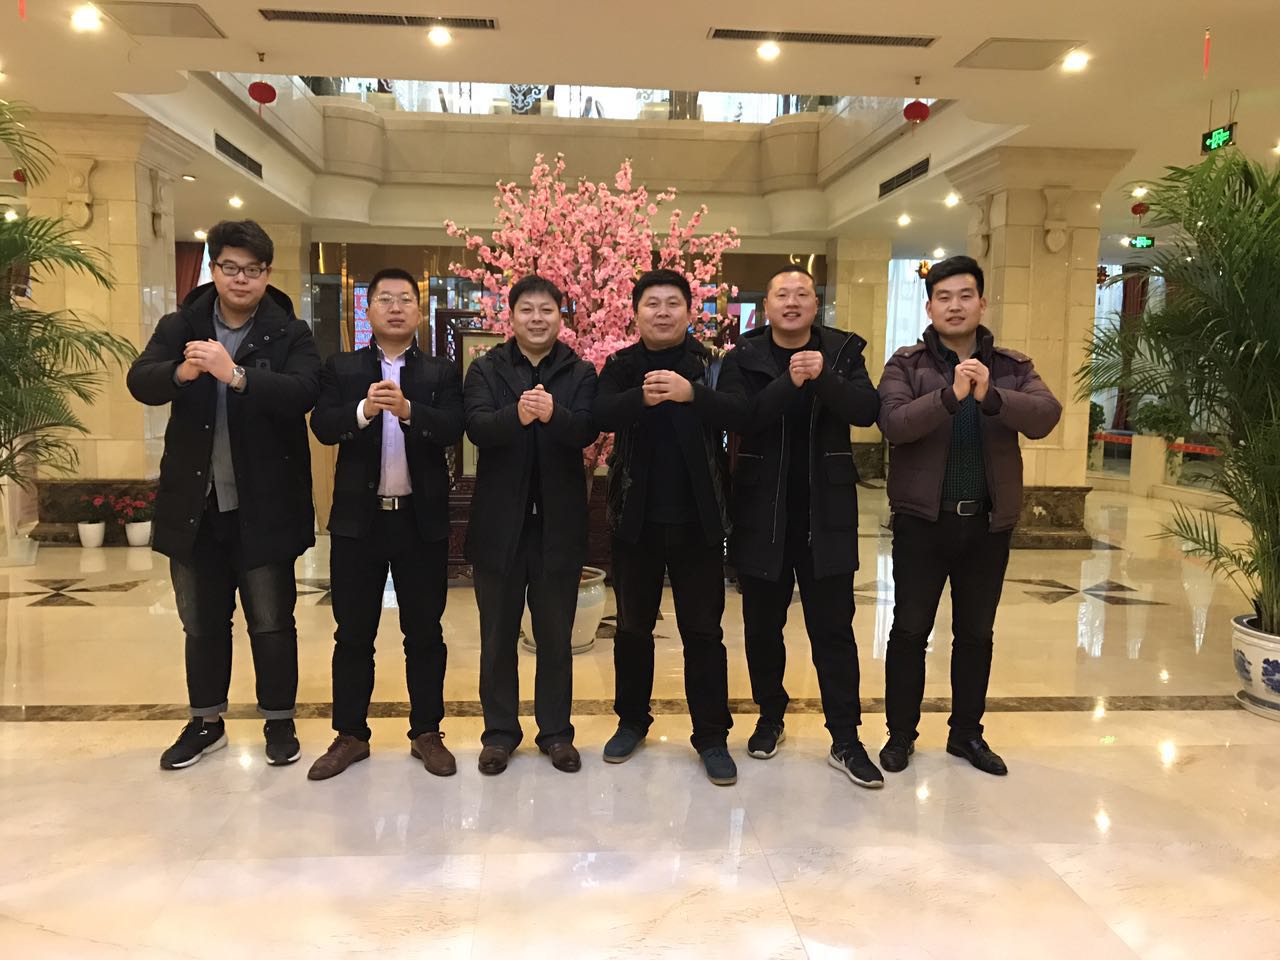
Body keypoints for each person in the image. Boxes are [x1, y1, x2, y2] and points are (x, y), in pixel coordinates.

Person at [126, 219, 320, 770]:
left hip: (264, 507)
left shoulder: (288, 332)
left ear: (266, 274)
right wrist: (182, 373)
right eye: (230, 267)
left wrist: (236, 375)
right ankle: (206, 722)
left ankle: (279, 720)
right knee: (202, 623)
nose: (241, 278)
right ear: (213, 268)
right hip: (196, 507)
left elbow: (304, 391)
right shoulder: (181, 324)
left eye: (252, 270)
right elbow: (140, 380)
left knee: (271, 621)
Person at [877, 255, 1062, 776]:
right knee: (909, 631)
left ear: (983, 302)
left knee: (976, 634)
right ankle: (900, 735)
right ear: (929, 307)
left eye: (965, 296)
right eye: (943, 297)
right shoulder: (906, 365)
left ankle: (966, 735)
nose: (954, 306)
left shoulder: (1012, 366)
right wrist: (950, 395)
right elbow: (894, 423)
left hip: (986, 524)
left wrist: (991, 395)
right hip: (922, 521)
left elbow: (1046, 416)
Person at [718, 267, 884, 788]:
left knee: (833, 630)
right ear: (767, 305)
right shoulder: (744, 355)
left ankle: (846, 737)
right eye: (781, 294)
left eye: (802, 294)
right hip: (760, 515)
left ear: (816, 304)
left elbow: (867, 411)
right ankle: (770, 716)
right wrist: (789, 383)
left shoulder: (843, 351)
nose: (792, 302)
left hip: (826, 516)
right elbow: (741, 418)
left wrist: (825, 379)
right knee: (762, 628)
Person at [306, 267, 465, 781]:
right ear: (369, 309)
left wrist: (411, 410)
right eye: (385, 299)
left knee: (425, 633)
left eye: (405, 300)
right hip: (359, 521)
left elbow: (455, 427)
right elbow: (323, 425)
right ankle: (350, 735)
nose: (396, 308)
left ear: (418, 312)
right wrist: (363, 411)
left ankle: (427, 732)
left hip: (420, 522)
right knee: (353, 633)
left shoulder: (440, 371)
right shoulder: (342, 367)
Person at [593, 268, 748, 786]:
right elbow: (598, 414)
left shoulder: (712, 365)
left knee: (703, 631)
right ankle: (631, 722)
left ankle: (711, 736)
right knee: (632, 628)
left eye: (673, 303)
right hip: (634, 518)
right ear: (636, 312)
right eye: (652, 303)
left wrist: (691, 394)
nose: (662, 312)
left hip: (699, 519)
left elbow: (741, 413)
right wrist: (642, 397)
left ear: (689, 310)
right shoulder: (621, 365)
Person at [463, 275, 598, 775]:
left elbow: (587, 428)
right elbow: (476, 427)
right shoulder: (486, 368)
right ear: (511, 316)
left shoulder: (580, 370)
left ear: (561, 318)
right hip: (499, 527)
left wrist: (554, 414)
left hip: (558, 528)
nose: (537, 319)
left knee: (556, 638)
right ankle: (499, 735)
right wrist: (517, 416)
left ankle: (556, 734)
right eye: (527, 310)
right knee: (497, 638)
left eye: (547, 310)